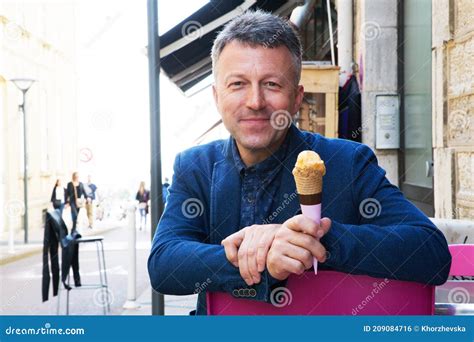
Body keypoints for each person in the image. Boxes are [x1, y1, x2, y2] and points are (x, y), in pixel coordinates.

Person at [148, 10, 451, 315]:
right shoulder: (195, 166)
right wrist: (260, 257)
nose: (255, 101)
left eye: (272, 84)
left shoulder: (347, 162)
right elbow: (164, 264)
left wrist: (317, 240)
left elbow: (430, 252)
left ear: (296, 98)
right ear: (217, 97)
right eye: (238, 84)